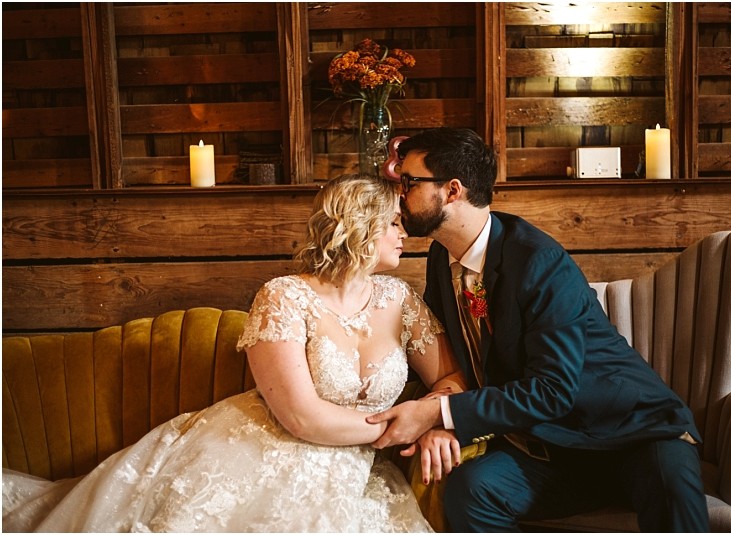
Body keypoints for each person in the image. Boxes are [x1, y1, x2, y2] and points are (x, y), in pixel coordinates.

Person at [2, 174, 466, 532]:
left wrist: (431, 421)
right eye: (391, 221)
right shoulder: (284, 296)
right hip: (262, 447)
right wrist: (403, 425)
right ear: (358, 227)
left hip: (358, 463)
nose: (403, 231)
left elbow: (452, 378)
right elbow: (301, 418)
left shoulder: (400, 299)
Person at [367, 128, 711, 532]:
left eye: (408, 182)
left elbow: (553, 390)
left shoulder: (538, 262)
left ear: (452, 191)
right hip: (551, 448)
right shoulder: (442, 258)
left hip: (631, 432)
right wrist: (439, 420)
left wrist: (440, 414)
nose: (398, 194)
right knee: (472, 489)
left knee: (672, 485)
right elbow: (444, 357)